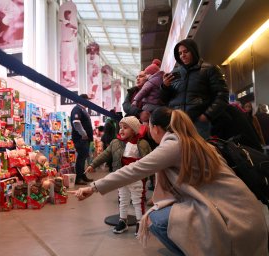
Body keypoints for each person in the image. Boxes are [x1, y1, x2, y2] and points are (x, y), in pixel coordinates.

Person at [72, 107, 268, 255]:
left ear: (156, 128)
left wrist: (94, 187)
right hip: (247, 214)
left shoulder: (173, 145)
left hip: (232, 219)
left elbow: (134, 170)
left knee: (156, 220)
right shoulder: (196, 141)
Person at [85, 116, 151, 235]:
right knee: (123, 199)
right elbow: (105, 154)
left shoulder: (143, 144)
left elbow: (151, 160)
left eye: (125, 128)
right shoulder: (115, 142)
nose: (121, 130)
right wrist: (93, 164)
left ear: (134, 130)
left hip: (137, 178)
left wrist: (153, 176)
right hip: (121, 176)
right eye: (120, 127)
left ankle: (140, 223)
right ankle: (122, 221)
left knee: (138, 201)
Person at [161, 39, 229, 139]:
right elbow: (165, 100)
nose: (182, 55)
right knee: (179, 153)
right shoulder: (175, 72)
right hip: (177, 124)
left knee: (198, 153)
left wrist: (206, 116)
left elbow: (222, 95)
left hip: (198, 124)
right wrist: (164, 87)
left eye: (186, 51)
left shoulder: (209, 69)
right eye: (180, 53)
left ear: (193, 51)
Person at [70, 94, 94, 185]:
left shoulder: (82, 110)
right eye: (87, 100)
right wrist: (83, 134)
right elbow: (76, 123)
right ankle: (78, 178)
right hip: (80, 138)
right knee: (81, 158)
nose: (89, 102)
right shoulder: (77, 109)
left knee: (83, 158)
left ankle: (82, 175)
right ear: (83, 100)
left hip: (84, 139)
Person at [60, 10, 77, 86]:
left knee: (71, 59)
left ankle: (73, 77)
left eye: (69, 15)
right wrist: (75, 27)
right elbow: (68, 25)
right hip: (64, 43)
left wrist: (75, 32)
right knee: (65, 59)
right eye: (68, 15)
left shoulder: (70, 24)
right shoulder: (65, 21)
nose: (69, 16)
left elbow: (75, 34)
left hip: (71, 43)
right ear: (65, 15)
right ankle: (64, 75)